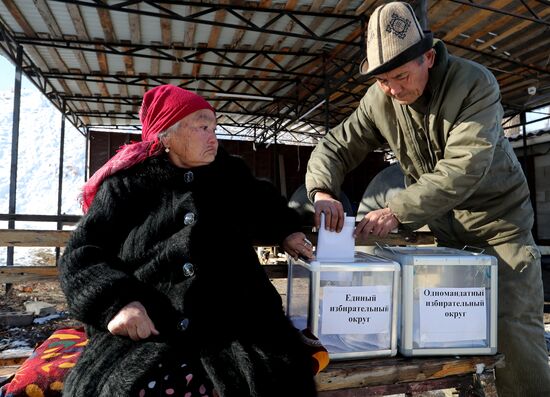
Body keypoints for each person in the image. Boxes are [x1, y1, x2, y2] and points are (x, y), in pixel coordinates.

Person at [305, 2, 550, 396]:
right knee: (449, 338)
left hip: (499, 234)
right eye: (383, 80)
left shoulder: (474, 84)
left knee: (513, 335)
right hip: (448, 239)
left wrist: (397, 211)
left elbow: (463, 168)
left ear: (429, 57)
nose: (392, 89)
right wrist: (321, 190)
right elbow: (336, 145)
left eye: (400, 76)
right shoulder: (380, 99)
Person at [59, 84, 317, 397]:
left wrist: (285, 229)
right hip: (154, 324)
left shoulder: (230, 174)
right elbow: (82, 253)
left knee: (271, 382)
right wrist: (117, 305)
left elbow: (264, 203)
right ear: (166, 136)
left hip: (236, 323)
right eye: (203, 127)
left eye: (214, 127)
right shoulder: (125, 186)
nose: (214, 137)